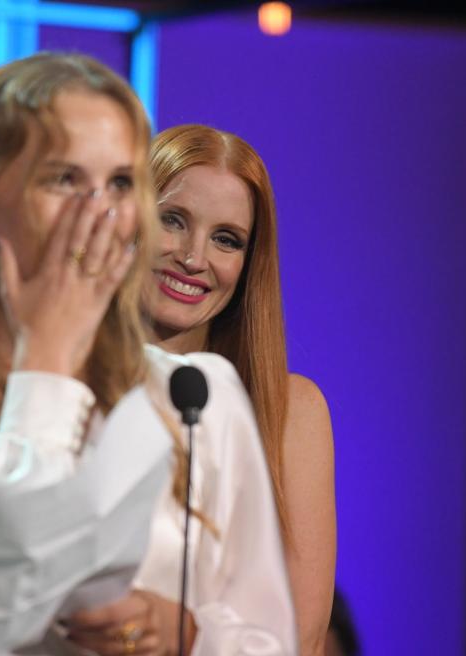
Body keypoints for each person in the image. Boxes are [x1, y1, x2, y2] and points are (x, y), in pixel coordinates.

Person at [0, 54, 296, 656]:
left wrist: (189, 632)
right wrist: (46, 363)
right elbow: (1, 594)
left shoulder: (197, 396)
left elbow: (270, 642)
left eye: (120, 183)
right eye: (63, 178)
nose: (97, 211)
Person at [144, 124, 337, 654]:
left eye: (225, 239)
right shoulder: (62, 390)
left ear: (248, 265)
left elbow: (299, 634)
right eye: (173, 220)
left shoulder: (289, 412)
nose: (192, 257)